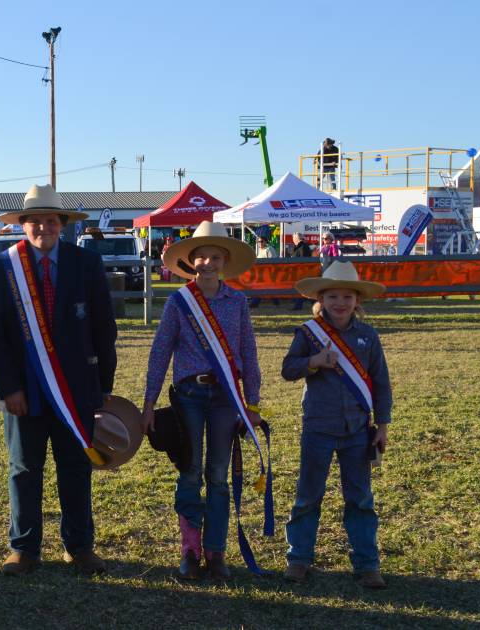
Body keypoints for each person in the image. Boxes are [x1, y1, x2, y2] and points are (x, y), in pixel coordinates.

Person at [0, 185, 117, 577]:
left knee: (75, 466)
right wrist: (9, 389)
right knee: (24, 468)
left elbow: (103, 328)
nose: (44, 226)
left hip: (76, 388)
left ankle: (80, 546)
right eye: (35, 220)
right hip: (23, 389)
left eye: (51, 220)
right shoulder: (4, 266)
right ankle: (23, 547)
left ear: (63, 224)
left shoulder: (86, 263)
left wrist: (102, 386)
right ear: (23, 226)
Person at [140, 220, 264, 581]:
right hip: (190, 395)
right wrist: (148, 404)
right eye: (201, 257)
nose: (208, 263)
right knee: (190, 472)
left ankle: (217, 552)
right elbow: (160, 353)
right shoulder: (179, 302)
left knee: (219, 476)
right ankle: (190, 552)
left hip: (226, 397)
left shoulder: (237, 301)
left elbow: (248, 354)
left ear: (225, 261)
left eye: (215, 257)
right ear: (191, 261)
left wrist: (252, 404)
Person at [281, 261, 391, 589]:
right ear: (321, 299)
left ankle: (367, 564)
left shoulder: (368, 337)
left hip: (358, 430)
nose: (340, 303)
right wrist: (313, 362)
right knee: (307, 497)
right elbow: (288, 369)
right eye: (332, 296)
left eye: (347, 296)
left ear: (358, 301)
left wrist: (382, 425)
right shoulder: (307, 332)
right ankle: (298, 559)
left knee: (359, 499)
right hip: (317, 427)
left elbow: (381, 384)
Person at [249, 236, 279, 308]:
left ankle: (255, 303)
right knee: (269, 289)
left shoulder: (269, 249)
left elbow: (273, 261)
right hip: (261, 273)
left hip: (268, 273)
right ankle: (276, 302)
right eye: (258, 242)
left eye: (261, 241)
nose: (260, 243)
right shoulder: (260, 250)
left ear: (266, 242)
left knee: (261, 288)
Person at [288, 234, 314, 311]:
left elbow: (304, 260)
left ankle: (299, 305)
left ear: (296, 239)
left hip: (302, 271)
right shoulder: (301, 246)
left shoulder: (302, 246)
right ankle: (302, 304)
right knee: (304, 289)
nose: (292, 240)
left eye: (293, 239)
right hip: (300, 271)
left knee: (302, 288)